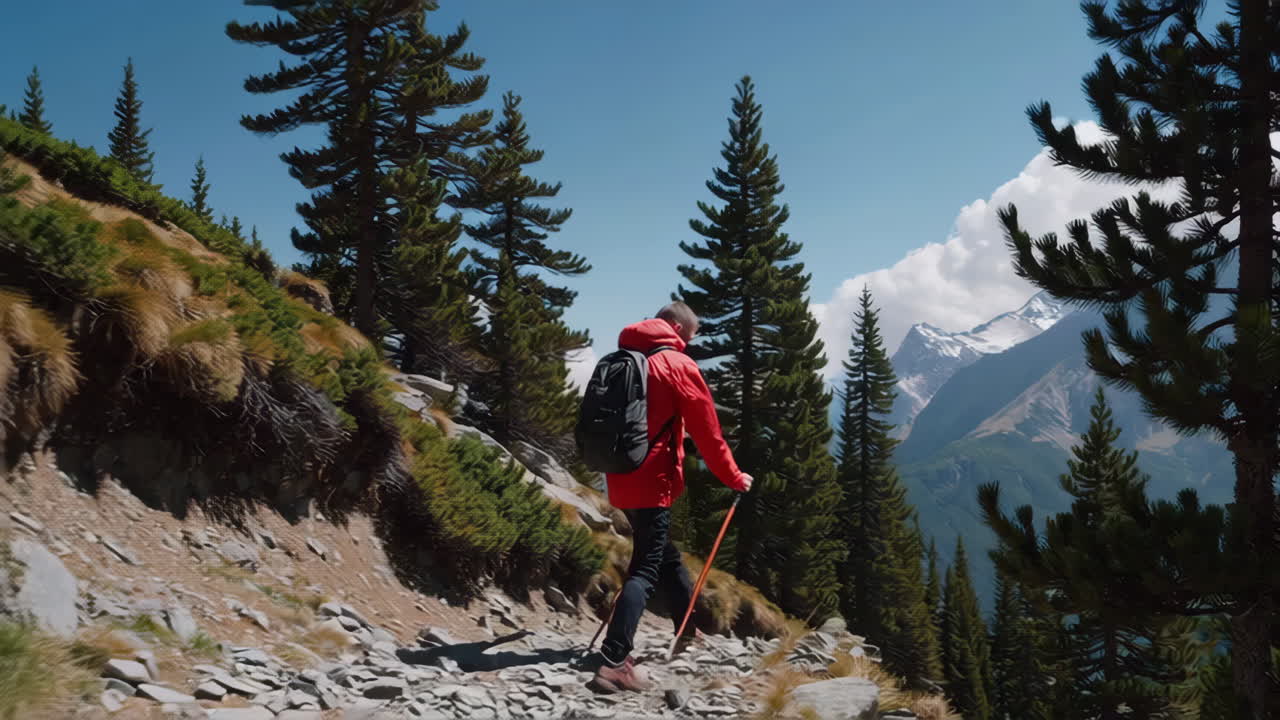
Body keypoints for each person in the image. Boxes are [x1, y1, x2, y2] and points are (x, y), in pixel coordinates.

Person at [592, 301, 752, 693]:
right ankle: (615, 661)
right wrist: (734, 477)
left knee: (662, 552)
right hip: (653, 482)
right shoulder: (679, 367)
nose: (690, 344)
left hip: (619, 477)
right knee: (645, 568)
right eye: (691, 336)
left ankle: (686, 626)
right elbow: (709, 435)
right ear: (678, 328)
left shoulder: (621, 358)